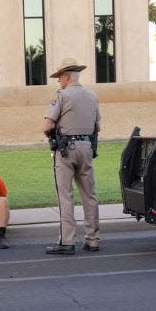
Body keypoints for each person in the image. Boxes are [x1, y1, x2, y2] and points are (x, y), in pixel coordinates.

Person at [42, 57, 101, 255]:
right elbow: (97, 126)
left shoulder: (62, 96)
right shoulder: (92, 96)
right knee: (89, 195)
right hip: (87, 147)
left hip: (66, 149)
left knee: (65, 196)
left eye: (60, 78)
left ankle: (67, 241)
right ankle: (93, 240)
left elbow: (47, 125)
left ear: (67, 77)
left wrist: (53, 134)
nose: (59, 81)